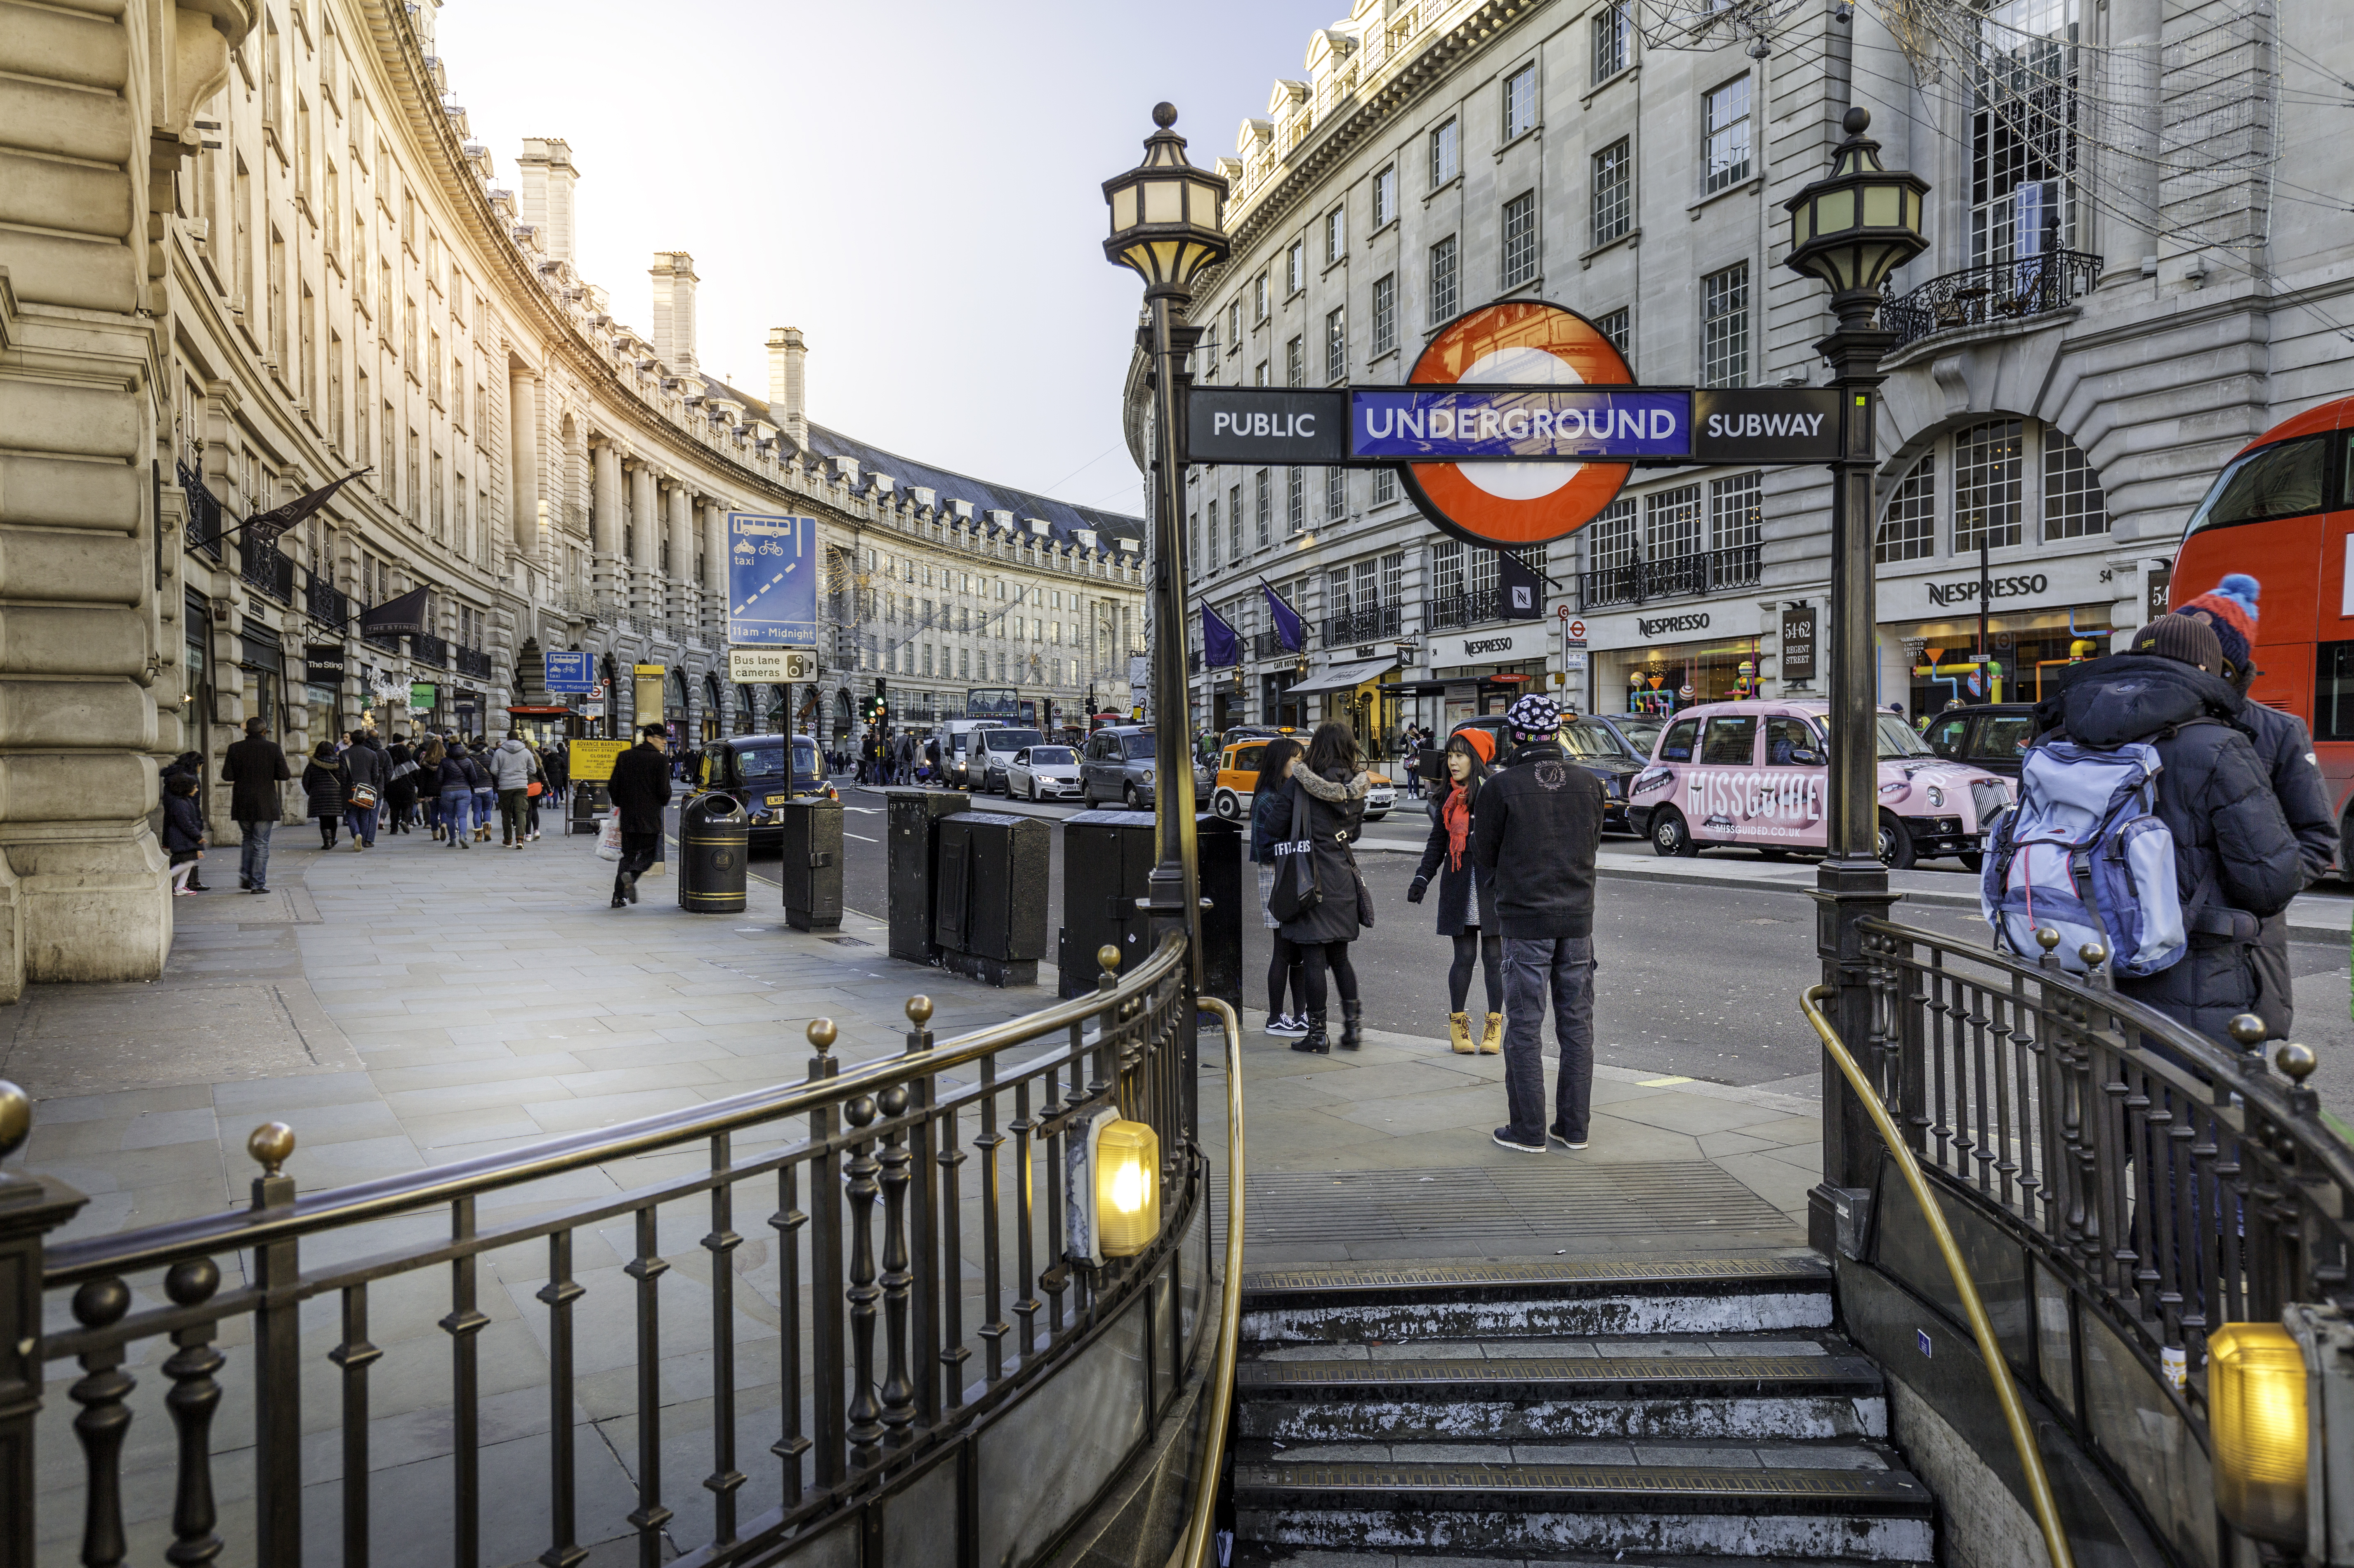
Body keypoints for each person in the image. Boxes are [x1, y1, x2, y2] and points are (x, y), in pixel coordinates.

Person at [2033, 612, 2302, 1043]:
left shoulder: (2059, 739)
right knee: (2190, 1105)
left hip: (2079, 959)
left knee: (2102, 1101)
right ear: (2204, 671)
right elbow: (2269, 883)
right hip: (2193, 978)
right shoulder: (2219, 746)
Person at [2170, 575, 2336, 1037]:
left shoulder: (2279, 732)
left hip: (2244, 948)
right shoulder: (2158, 720)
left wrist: (2262, 885)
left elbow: (2317, 837)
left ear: (2228, 665)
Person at [1471, 693, 1604, 1155]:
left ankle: (1528, 1130)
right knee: (1577, 1025)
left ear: (1516, 735)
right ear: (1555, 735)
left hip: (1526, 920)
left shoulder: (1501, 787)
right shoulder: (1589, 784)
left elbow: (1483, 856)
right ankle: (1574, 1127)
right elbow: (1594, 842)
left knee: (1525, 1026)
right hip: (1578, 918)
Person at [1275, 722, 1372, 1054]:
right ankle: (1353, 1029)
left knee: (1314, 958)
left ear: (1318, 746)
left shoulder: (1300, 784)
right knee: (1341, 958)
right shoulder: (1357, 787)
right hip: (1342, 880)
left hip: (1309, 881)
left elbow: (1275, 825)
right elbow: (1354, 835)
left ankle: (1318, 1034)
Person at [1410, 728, 1504, 1056]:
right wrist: (1422, 877)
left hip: (1492, 887)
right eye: (1450, 755)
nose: (1453, 762)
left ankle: (1494, 1025)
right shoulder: (1447, 797)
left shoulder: (1494, 792)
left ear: (1475, 758)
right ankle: (1458, 1024)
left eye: (1460, 755)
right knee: (1464, 956)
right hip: (1460, 885)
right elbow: (1438, 842)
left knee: (1495, 958)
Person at [1248, 737, 1309, 1039]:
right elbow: (1264, 847)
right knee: (1284, 949)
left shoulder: (1285, 793)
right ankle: (1275, 1016)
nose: (1299, 764)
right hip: (1275, 877)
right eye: (1295, 759)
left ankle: (1301, 1015)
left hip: (1289, 876)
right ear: (1279, 762)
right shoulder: (1267, 799)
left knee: (1296, 949)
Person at [221, 715, 290, 894]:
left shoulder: (235, 748)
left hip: (243, 801)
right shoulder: (273, 748)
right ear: (265, 731)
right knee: (261, 843)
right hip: (265, 802)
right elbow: (285, 775)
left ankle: (246, 875)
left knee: (248, 839)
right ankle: (258, 883)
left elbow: (227, 776)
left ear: (246, 731)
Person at [607, 722, 673, 906]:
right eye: (662, 739)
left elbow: (612, 785)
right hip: (650, 816)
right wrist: (664, 800)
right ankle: (633, 875)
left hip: (628, 816)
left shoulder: (625, 756)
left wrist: (621, 802)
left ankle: (617, 897)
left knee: (628, 855)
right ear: (650, 739)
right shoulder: (660, 760)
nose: (665, 742)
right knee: (650, 854)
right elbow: (664, 790)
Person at [488, 730, 539, 848]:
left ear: (507, 738)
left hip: (505, 787)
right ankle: (520, 840)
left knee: (506, 814)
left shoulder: (499, 752)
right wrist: (523, 775)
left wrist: (503, 775)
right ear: (518, 739)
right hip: (521, 786)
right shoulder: (526, 752)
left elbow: (494, 770)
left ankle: (508, 840)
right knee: (521, 812)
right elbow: (533, 770)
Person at [433, 736, 483, 849]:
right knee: (462, 816)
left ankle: (452, 840)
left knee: (450, 816)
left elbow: (439, 779)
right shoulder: (468, 761)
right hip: (464, 791)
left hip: (448, 791)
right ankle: (463, 837)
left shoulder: (444, 761)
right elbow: (474, 779)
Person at [163, 772, 206, 895]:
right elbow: (186, 823)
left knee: (190, 861)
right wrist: (198, 837)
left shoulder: (184, 801)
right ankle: (167, 878)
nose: (197, 789)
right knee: (189, 862)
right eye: (195, 787)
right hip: (182, 840)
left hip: (184, 839)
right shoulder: (180, 804)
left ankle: (180, 887)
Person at [342, 730, 386, 849]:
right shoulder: (372, 754)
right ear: (364, 739)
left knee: (351, 814)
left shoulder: (344, 754)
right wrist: (371, 785)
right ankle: (362, 839)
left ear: (352, 739)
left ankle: (356, 834)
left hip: (350, 788)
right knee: (365, 815)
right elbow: (375, 774)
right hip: (366, 788)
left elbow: (343, 774)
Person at [302, 741, 349, 850]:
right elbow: (344, 778)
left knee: (323, 819)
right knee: (333, 818)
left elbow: (305, 781)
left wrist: (311, 792)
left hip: (319, 795)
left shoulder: (313, 763)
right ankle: (333, 838)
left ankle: (327, 842)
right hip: (336, 795)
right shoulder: (339, 762)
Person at [384, 735, 419, 835]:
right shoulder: (411, 764)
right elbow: (418, 777)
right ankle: (405, 821)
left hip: (392, 788)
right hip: (408, 787)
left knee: (394, 808)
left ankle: (393, 829)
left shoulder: (391, 766)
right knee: (408, 806)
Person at [469, 739, 497, 842]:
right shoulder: (490, 758)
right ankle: (487, 831)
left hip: (475, 789)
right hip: (489, 788)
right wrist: (495, 788)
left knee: (477, 812)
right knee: (487, 810)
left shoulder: (470, 759)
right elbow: (494, 774)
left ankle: (478, 836)